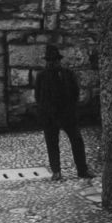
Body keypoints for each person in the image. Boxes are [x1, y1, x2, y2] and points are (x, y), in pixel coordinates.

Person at [34, 45, 92, 181]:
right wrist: (45, 112)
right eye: (49, 61)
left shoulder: (67, 74)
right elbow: (38, 97)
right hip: (50, 116)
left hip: (67, 114)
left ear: (59, 61)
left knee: (77, 141)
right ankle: (56, 171)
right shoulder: (41, 76)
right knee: (52, 144)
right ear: (46, 62)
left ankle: (82, 170)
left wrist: (71, 109)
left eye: (54, 60)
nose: (52, 63)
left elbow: (75, 93)